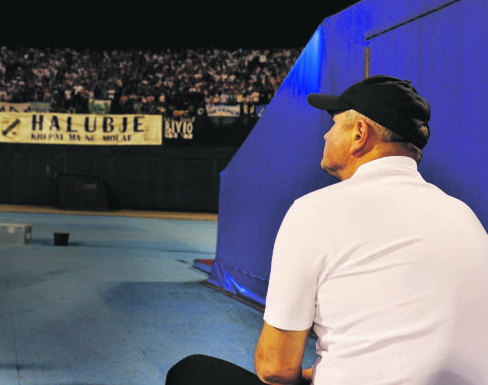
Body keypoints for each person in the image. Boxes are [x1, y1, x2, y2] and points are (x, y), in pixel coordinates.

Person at [166, 75, 488, 384]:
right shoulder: (466, 218)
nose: (325, 135)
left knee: (190, 372)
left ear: (359, 133)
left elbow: (274, 368)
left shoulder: (315, 212)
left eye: (333, 124)